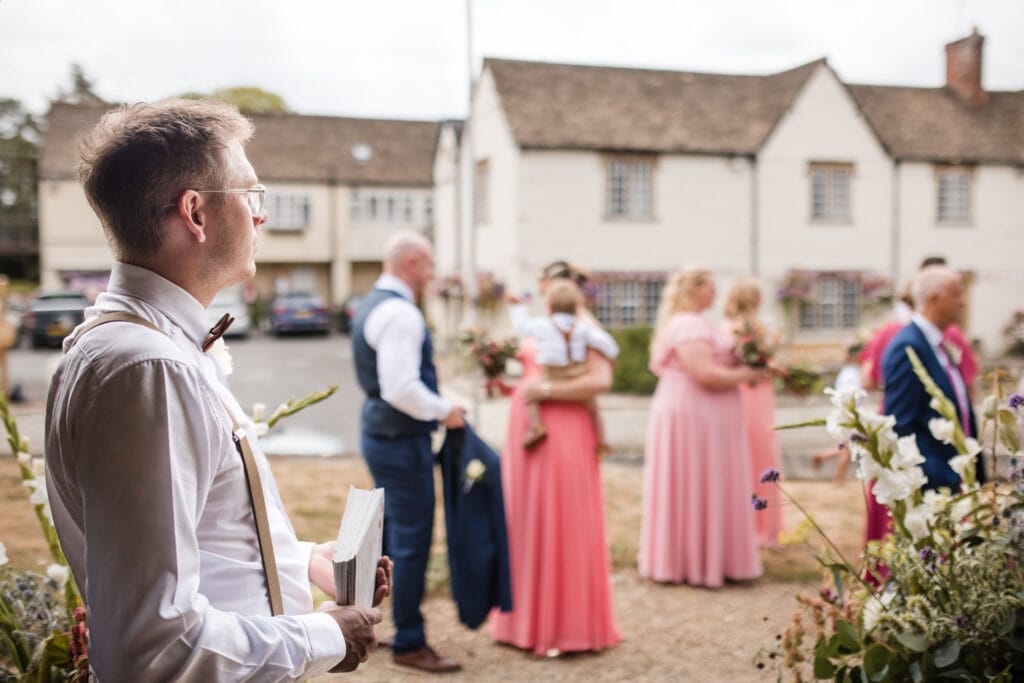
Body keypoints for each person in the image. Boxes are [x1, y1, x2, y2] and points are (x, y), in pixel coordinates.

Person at [44, 99, 390, 681]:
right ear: (196, 213)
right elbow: (153, 646)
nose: (261, 216)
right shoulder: (147, 369)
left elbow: (193, 538)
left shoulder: (149, 346)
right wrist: (324, 634)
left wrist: (302, 560)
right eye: (252, 196)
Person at [491, 260, 622, 656]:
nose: (543, 288)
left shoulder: (585, 326)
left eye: (549, 283)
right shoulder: (544, 321)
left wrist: (542, 392)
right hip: (527, 433)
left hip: (564, 431)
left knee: (564, 518)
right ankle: (523, 622)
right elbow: (534, 368)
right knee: (526, 519)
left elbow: (599, 381)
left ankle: (567, 627)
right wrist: (510, 385)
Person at [350, 230, 465, 673]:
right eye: (431, 264)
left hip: (381, 435)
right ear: (413, 263)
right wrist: (445, 410)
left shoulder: (371, 304)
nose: (434, 274)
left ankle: (364, 622)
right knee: (412, 540)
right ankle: (410, 642)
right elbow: (400, 387)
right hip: (401, 440)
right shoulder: (401, 313)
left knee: (390, 534)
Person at [639, 268, 767, 586]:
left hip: (711, 415)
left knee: (713, 481)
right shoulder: (687, 325)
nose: (714, 293)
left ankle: (715, 559)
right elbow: (705, 373)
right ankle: (690, 563)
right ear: (693, 290)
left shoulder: (703, 323)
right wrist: (747, 375)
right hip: (692, 413)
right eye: (709, 287)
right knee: (694, 478)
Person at [881, 266, 983, 491]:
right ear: (934, 299)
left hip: (957, 477)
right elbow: (900, 425)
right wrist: (939, 477)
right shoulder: (908, 348)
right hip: (937, 485)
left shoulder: (937, 342)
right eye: (956, 294)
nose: (963, 302)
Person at [508, 279, 619, 453]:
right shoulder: (582, 327)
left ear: (549, 306)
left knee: (530, 395)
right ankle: (601, 439)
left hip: (552, 374)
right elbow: (604, 342)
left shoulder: (543, 325)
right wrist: (612, 357)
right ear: (575, 307)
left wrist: (517, 307)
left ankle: (536, 426)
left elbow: (522, 328)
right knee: (593, 407)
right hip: (576, 372)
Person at [723, 278, 784, 547]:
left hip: (746, 391)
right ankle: (761, 526)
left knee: (749, 449)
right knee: (759, 448)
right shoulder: (747, 329)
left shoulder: (727, 327)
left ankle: (751, 522)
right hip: (751, 391)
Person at [810, 342, 864, 486]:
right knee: (848, 448)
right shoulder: (852, 373)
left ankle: (822, 457)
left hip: (849, 412)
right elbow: (851, 395)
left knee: (848, 445)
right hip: (849, 413)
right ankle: (838, 480)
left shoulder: (849, 371)